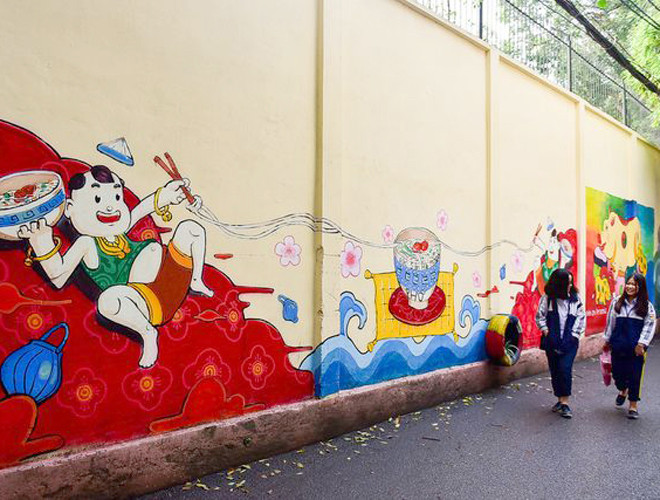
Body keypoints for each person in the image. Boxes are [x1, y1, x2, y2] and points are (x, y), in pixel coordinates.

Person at [17, 165, 214, 368]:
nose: (111, 207)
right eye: (97, 199)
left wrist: (165, 195)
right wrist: (42, 244)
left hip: (171, 283)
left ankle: (196, 280)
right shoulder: (87, 243)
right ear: (70, 209)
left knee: (191, 229)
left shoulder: (118, 231)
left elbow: (139, 211)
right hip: (145, 305)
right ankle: (147, 333)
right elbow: (58, 277)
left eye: (117, 197)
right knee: (108, 299)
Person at [602, 272, 656, 419]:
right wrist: (606, 340)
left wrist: (641, 343)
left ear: (640, 287)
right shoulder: (616, 302)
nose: (630, 287)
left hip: (635, 349)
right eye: (629, 283)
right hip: (618, 346)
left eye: (634, 284)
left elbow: (649, 326)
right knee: (617, 374)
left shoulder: (646, 306)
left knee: (634, 376)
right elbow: (610, 323)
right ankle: (622, 390)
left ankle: (633, 405)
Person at [535, 268, 585, 418]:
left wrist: (574, 336)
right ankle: (559, 398)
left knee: (565, 368)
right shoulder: (548, 299)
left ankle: (565, 403)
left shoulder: (576, 299)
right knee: (555, 370)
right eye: (567, 283)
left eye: (571, 282)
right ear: (559, 284)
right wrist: (546, 331)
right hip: (552, 341)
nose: (570, 286)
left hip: (570, 342)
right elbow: (540, 316)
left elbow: (581, 318)